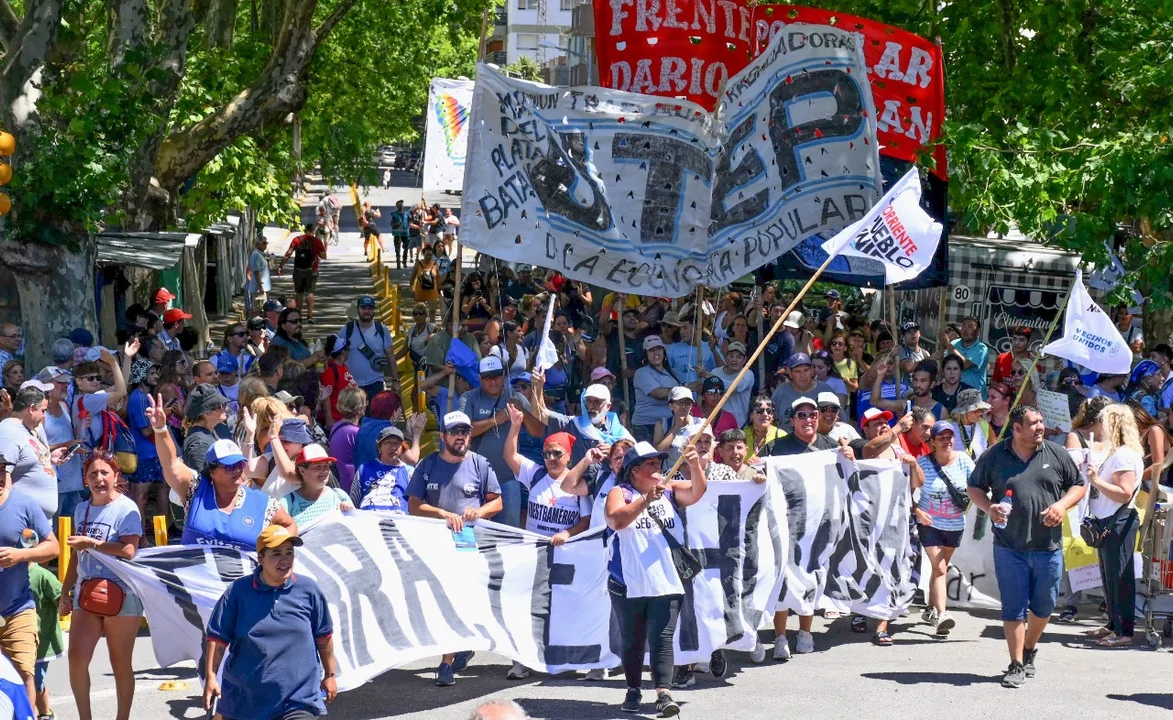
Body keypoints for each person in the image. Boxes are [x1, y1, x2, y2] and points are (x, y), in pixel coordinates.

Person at [967, 405, 1085, 688]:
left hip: (1048, 547)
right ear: (1017, 428)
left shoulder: (1056, 453)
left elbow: (1078, 486)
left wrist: (1061, 505)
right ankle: (1016, 663)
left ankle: (1030, 648)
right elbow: (974, 487)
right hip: (1009, 547)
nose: (1040, 427)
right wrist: (989, 507)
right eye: (1033, 423)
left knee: (1043, 608)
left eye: (1042, 421)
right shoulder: (995, 455)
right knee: (1014, 608)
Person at [604, 441, 708, 716]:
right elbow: (616, 520)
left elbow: (697, 492)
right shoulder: (619, 492)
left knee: (662, 638)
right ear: (635, 470)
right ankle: (633, 689)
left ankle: (664, 693)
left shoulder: (670, 490)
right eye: (651, 463)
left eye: (660, 462)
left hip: (666, 580)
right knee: (632, 639)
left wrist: (695, 465)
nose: (659, 467)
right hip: (628, 581)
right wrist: (645, 499)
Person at [204, 525, 336, 720]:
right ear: (260, 559)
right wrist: (211, 677)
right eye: (276, 554)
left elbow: (324, 636)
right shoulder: (238, 592)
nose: (285, 560)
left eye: (289, 553)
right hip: (245, 700)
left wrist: (330, 675)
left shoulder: (309, 590)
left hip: (298, 699)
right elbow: (217, 638)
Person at [408, 410, 502, 686]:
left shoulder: (480, 463)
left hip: (469, 548)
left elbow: (497, 502)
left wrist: (479, 511)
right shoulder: (427, 465)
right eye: (455, 432)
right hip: (434, 546)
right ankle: (461, 646)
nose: (461, 437)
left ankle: (446, 662)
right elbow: (414, 505)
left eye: (465, 431)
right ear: (443, 436)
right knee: (440, 602)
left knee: (457, 600)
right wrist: (442, 514)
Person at [502, 406, 592, 680]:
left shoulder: (576, 482)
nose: (551, 458)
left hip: (566, 555)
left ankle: (567, 658)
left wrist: (567, 533)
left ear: (568, 456)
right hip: (535, 553)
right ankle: (522, 660)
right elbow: (510, 456)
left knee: (565, 607)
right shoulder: (536, 474)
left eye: (557, 453)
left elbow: (586, 520)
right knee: (529, 607)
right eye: (547, 453)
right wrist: (515, 426)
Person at [762, 397, 854, 658]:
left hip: (820, 527)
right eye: (801, 415)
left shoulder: (831, 447)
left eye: (812, 414)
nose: (808, 419)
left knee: (813, 578)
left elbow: (848, 477)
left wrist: (848, 457)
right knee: (783, 579)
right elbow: (757, 474)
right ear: (792, 421)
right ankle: (780, 638)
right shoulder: (776, 448)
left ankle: (805, 633)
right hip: (786, 524)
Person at [149, 396, 297, 549]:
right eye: (229, 466)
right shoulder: (195, 491)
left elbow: (289, 524)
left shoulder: (263, 503)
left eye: (240, 464)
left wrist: (275, 552)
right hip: (196, 571)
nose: (237, 470)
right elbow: (170, 464)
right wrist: (160, 429)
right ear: (212, 471)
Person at [59, 452, 140, 720]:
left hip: (123, 596)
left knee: (120, 665)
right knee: (76, 659)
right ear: (85, 480)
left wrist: (92, 544)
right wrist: (65, 592)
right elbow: (75, 554)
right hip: (86, 595)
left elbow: (129, 550)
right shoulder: (82, 509)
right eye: (93, 474)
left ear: (116, 476)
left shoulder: (127, 508)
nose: (99, 478)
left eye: (105, 472)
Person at [0, 450, 58, 709]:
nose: (0, 475)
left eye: (2, 469)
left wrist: (21, 555)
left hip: (17, 608)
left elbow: (53, 547)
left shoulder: (23, 504)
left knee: (25, 674)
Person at [1084, 404, 1143, 647]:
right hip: (1108, 522)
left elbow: (1124, 493)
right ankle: (1114, 624)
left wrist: (1096, 481)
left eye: (1102, 420)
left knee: (1120, 577)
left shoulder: (1123, 455)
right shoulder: (1115, 453)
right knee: (1110, 577)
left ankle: (1124, 631)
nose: (1099, 426)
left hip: (1118, 521)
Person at [912, 421, 975, 638]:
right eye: (941, 438)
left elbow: (976, 485)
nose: (947, 441)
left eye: (950, 437)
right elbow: (906, 492)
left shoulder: (964, 460)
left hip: (955, 523)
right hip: (929, 523)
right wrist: (918, 512)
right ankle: (942, 614)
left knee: (941, 567)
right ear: (933, 442)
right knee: (939, 568)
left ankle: (930, 608)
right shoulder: (922, 463)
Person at [458, 356, 531, 529]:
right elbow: (462, 432)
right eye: (488, 377)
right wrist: (494, 420)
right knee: (473, 531)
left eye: (497, 376)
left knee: (510, 533)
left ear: (504, 375)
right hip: (474, 481)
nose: (493, 381)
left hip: (508, 479)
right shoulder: (469, 398)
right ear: (479, 378)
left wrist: (536, 394)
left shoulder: (516, 398)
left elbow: (538, 428)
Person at [0, 386, 60, 520]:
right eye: (43, 411)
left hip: (36, 521)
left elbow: (27, 460)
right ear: (32, 408)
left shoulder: (25, 430)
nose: (44, 416)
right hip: (20, 522)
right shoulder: (8, 433)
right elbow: (3, 477)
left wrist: (50, 459)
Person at [125, 362, 168, 539]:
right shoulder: (139, 398)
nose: (156, 376)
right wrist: (164, 416)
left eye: (157, 372)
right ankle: (142, 540)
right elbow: (145, 430)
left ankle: (161, 537)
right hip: (145, 454)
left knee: (159, 492)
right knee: (140, 498)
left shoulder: (144, 396)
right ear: (142, 375)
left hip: (151, 453)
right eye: (151, 373)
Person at [340, 296, 398, 399]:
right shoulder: (346, 330)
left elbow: (391, 356)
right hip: (351, 385)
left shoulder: (382, 330)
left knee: (375, 414)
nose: (367, 311)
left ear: (374, 310)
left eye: (370, 308)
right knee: (354, 415)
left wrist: (395, 381)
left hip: (375, 383)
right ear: (358, 310)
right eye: (363, 308)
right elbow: (337, 357)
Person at [280, 444, 353, 527]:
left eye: (326, 466)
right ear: (302, 471)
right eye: (318, 467)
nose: (325, 470)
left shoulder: (340, 496)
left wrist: (350, 510)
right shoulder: (288, 502)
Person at [351, 426, 414, 513]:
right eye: (388, 443)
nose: (393, 447)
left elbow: (415, 503)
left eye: (397, 443)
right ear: (379, 447)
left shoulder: (409, 471)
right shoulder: (364, 468)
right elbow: (354, 502)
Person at [29, 562, 62, 720]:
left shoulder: (42, 575)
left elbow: (61, 597)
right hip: (13, 640)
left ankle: (45, 713)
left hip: (41, 643)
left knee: (36, 682)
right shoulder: (7, 575)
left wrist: (65, 603)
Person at [278, 223, 328, 323]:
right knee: (310, 293)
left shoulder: (297, 240)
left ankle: (298, 315)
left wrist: (281, 265)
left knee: (299, 293)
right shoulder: (316, 241)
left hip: (298, 270)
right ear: (313, 231)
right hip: (312, 271)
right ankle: (310, 316)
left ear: (305, 230)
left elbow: (288, 253)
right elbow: (324, 256)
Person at [771, 353, 833, 425]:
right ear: (790, 374)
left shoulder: (826, 390)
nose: (803, 375)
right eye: (798, 371)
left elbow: (840, 420)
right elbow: (771, 422)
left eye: (806, 370)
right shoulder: (780, 393)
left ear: (812, 371)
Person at [181, 384, 230, 473]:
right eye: (220, 406)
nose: (225, 408)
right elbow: (201, 480)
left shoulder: (208, 432)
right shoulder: (199, 443)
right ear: (207, 412)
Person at [652, 387, 706, 469]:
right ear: (671, 405)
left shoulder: (700, 423)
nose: (684, 406)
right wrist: (675, 427)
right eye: (680, 402)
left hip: (694, 473)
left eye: (687, 402)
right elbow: (657, 452)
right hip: (671, 474)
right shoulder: (663, 424)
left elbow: (708, 452)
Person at [708, 342, 755, 428]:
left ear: (744, 360)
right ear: (726, 357)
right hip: (718, 423)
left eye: (739, 357)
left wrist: (710, 377)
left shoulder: (748, 374)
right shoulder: (715, 372)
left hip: (740, 424)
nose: (734, 360)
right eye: (731, 356)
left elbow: (733, 387)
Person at [951, 316, 990, 398]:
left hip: (975, 398)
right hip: (954, 396)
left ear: (977, 331)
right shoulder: (954, 344)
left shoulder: (981, 348)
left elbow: (965, 365)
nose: (965, 329)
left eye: (970, 327)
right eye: (963, 326)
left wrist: (948, 345)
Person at [742, 396, 784, 463]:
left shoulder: (781, 436)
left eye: (769, 411)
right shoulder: (742, 436)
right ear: (751, 414)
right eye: (760, 411)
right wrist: (747, 466)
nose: (765, 414)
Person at [411, 245, 443, 320]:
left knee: (432, 312)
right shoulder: (418, 264)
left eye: (430, 255)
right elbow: (412, 278)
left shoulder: (435, 264)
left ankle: (431, 329)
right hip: (420, 291)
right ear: (423, 254)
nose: (428, 256)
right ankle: (421, 328)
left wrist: (439, 293)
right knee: (419, 312)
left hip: (432, 292)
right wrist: (412, 289)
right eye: (427, 254)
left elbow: (438, 279)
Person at [245, 236, 271, 313]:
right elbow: (256, 271)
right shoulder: (256, 254)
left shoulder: (260, 254)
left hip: (263, 288)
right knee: (258, 310)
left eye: (266, 243)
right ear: (258, 243)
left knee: (261, 309)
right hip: (259, 289)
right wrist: (260, 287)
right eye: (264, 243)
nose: (265, 245)